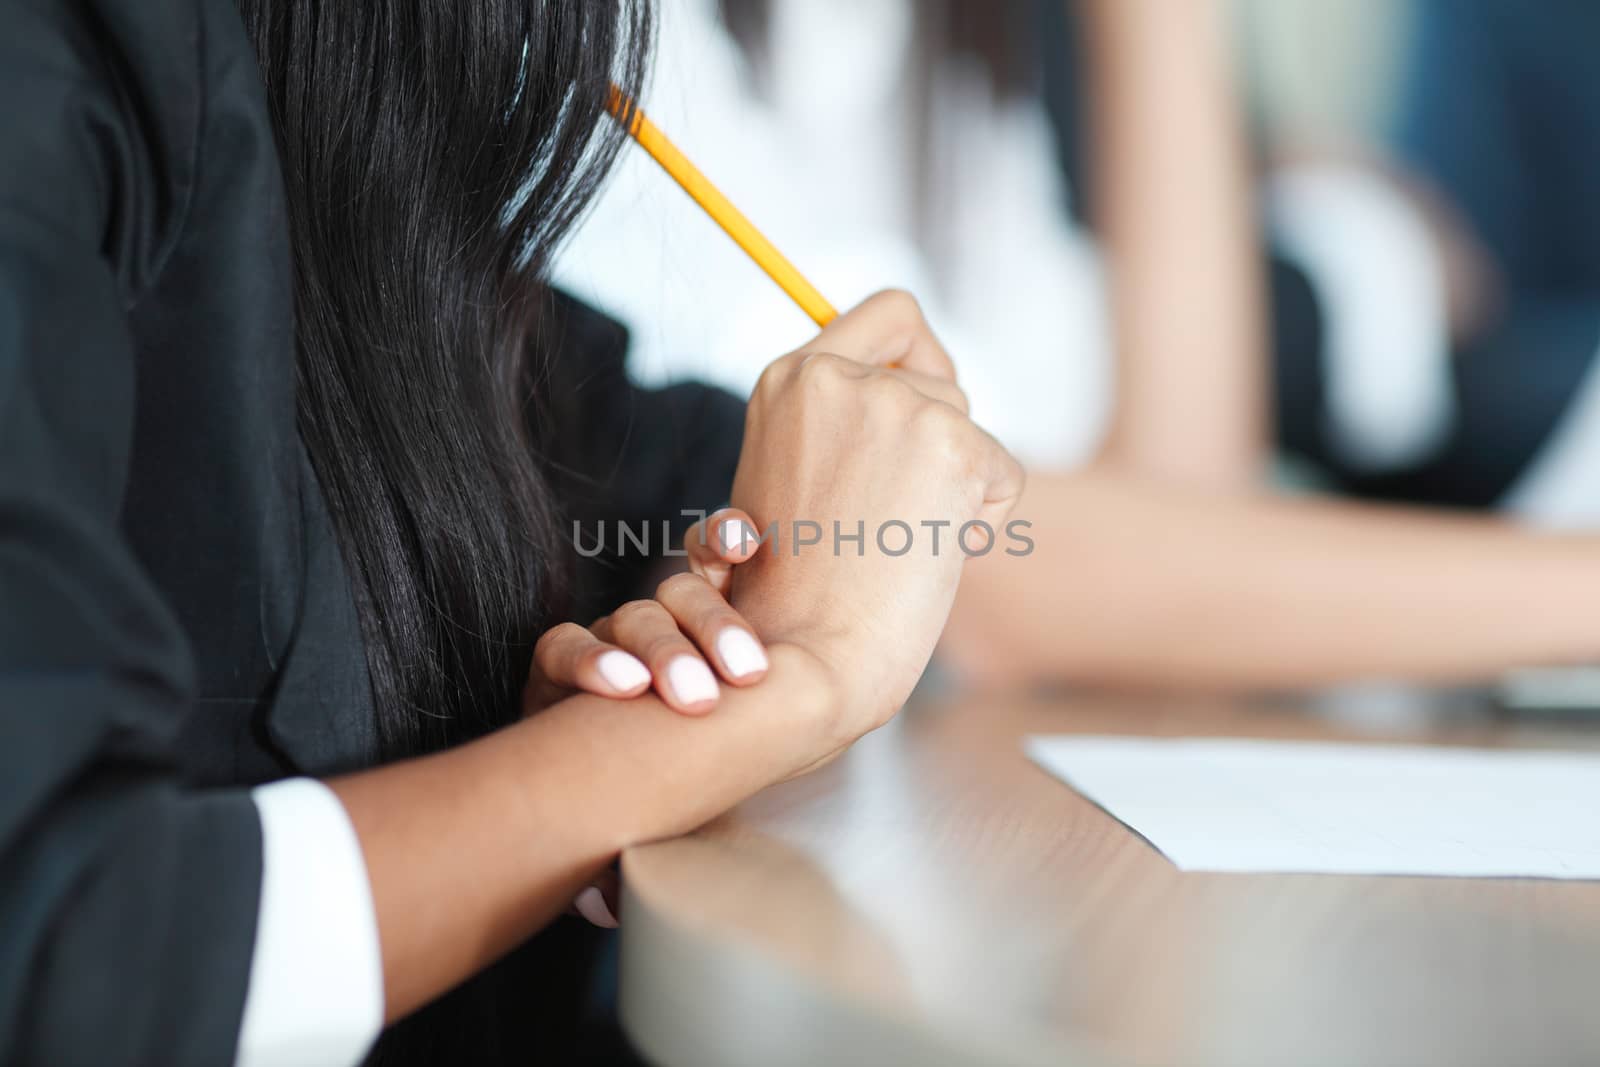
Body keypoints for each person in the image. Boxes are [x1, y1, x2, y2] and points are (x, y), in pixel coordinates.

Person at [0, 2, 1022, 1065]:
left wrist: (720, 603)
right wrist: (788, 682)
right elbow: (72, 946)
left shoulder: (356, 154)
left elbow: (653, 472)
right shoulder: (53, 68)